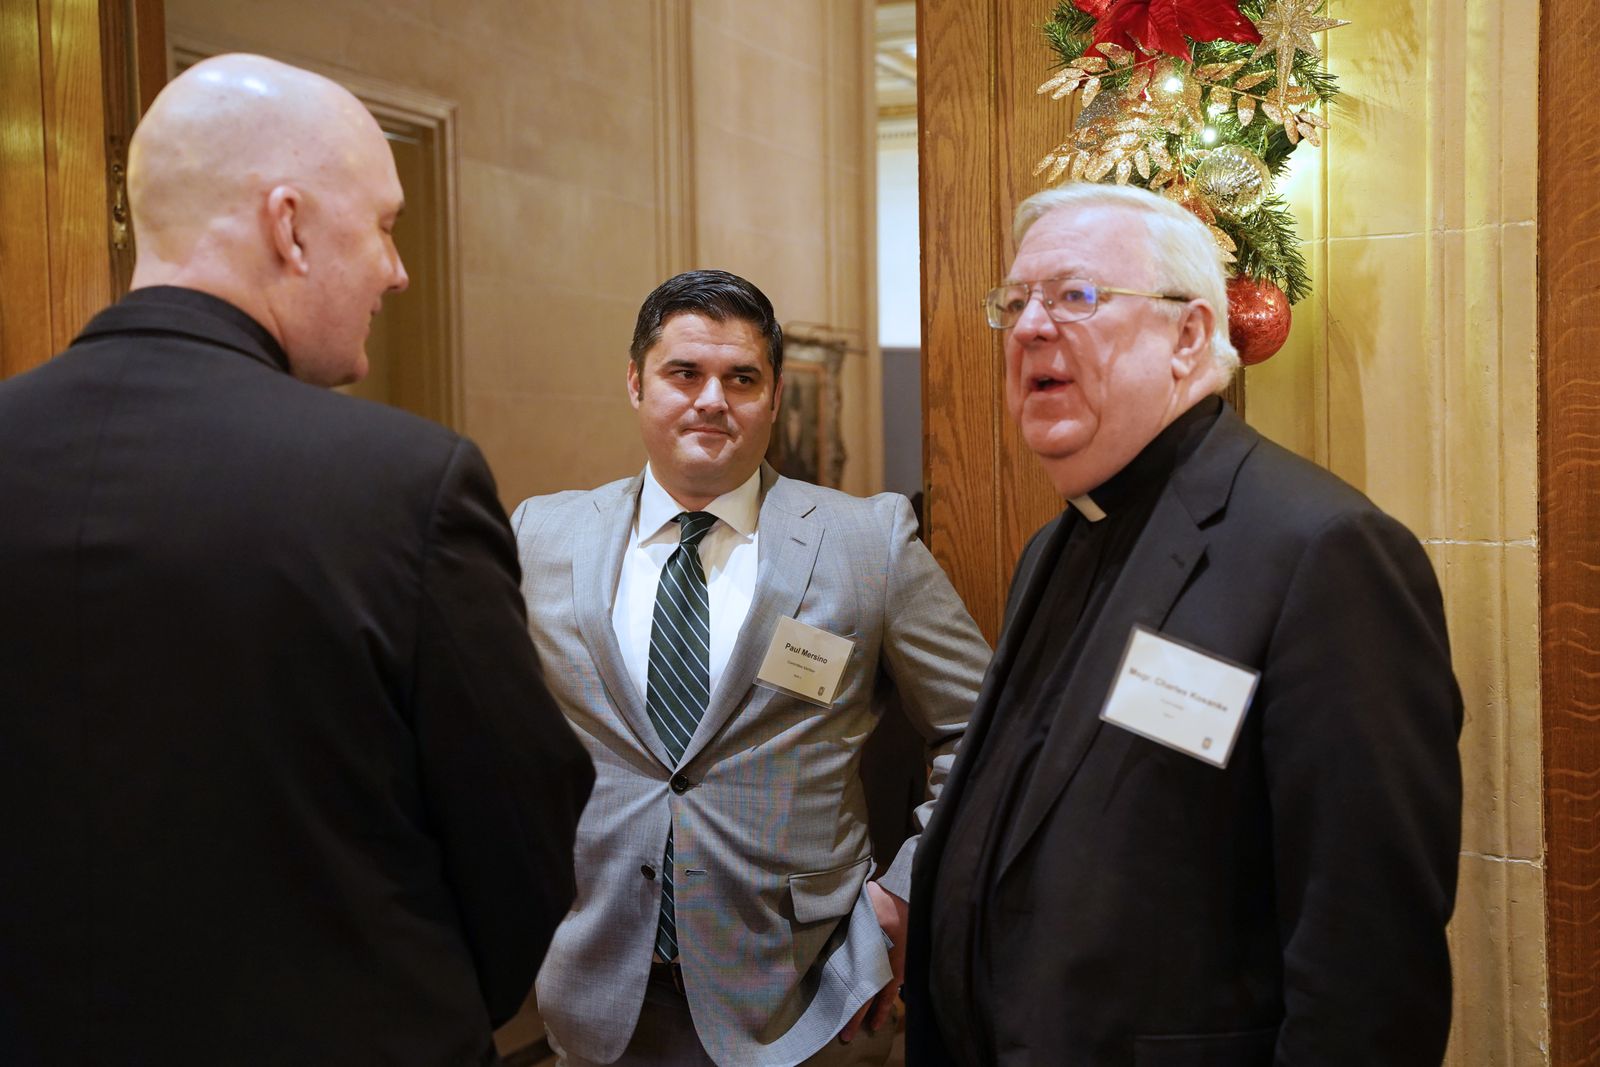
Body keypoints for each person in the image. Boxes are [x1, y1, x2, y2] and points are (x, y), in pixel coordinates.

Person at [0, 54, 593, 1066]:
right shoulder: (405, 482)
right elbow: (523, 828)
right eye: (385, 226)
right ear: (289, 226)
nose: (396, 271)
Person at [904, 183, 1463, 1066]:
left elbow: (1369, 964)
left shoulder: (1322, 552)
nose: (1029, 329)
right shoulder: (1054, 545)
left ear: (1191, 334)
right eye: (1015, 303)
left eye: (1075, 296)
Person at [512, 269, 990, 1067]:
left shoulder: (867, 541)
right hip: (597, 994)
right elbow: (486, 735)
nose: (711, 400)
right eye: (683, 373)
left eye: (741, 378)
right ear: (635, 382)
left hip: (807, 1001)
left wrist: (906, 889)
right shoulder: (541, 536)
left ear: (772, 397)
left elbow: (983, 728)